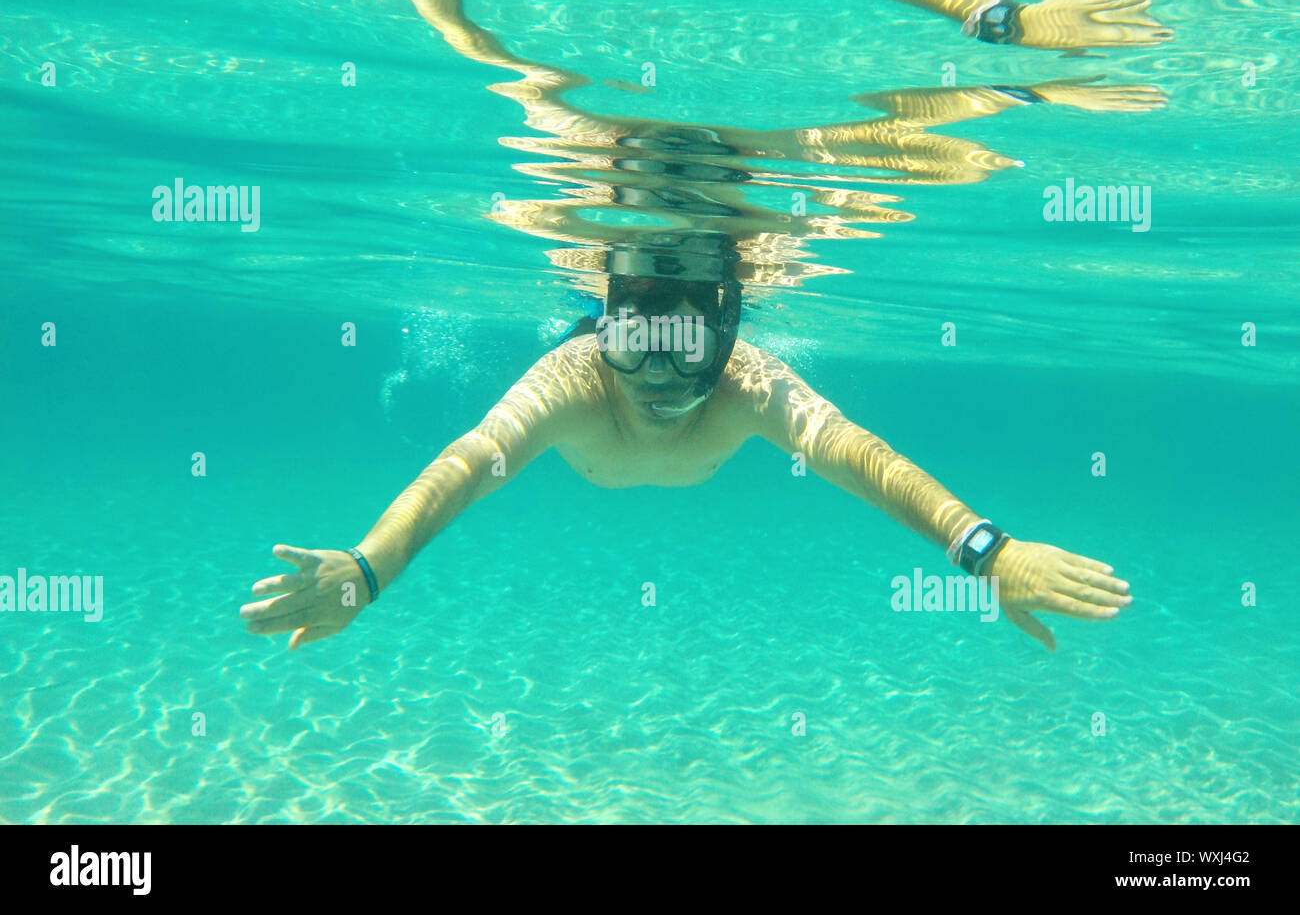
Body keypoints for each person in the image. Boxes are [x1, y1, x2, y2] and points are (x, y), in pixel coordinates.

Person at [242, 231, 1133, 653]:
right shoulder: (576, 380)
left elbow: (860, 452)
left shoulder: (748, 382)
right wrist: (366, 568)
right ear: (603, 334)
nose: (662, 376)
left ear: (726, 334)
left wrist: (986, 550)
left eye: (689, 346)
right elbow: (468, 463)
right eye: (635, 342)